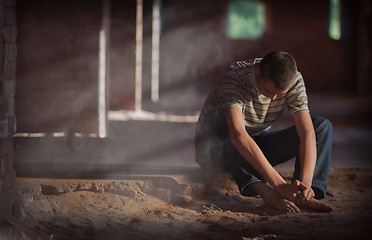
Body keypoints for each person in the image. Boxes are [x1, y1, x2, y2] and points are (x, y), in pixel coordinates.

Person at [195, 51, 334, 213]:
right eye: (268, 92)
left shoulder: (294, 79)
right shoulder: (234, 78)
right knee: (219, 120)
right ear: (257, 70)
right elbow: (238, 135)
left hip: (255, 143)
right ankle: (265, 191)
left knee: (321, 127)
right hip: (215, 149)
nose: (273, 98)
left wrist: (305, 185)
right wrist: (279, 186)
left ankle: (306, 198)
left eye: (279, 94)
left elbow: (307, 133)